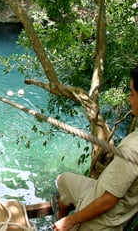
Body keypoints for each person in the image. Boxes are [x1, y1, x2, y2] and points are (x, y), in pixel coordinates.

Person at [53, 65, 138, 231]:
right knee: (64, 179)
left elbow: (108, 201)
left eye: (132, 93)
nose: (129, 98)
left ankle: (64, 222)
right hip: (97, 190)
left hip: (101, 221)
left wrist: (72, 220)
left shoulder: (132, 149)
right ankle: (61, 214)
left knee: (72, 224)